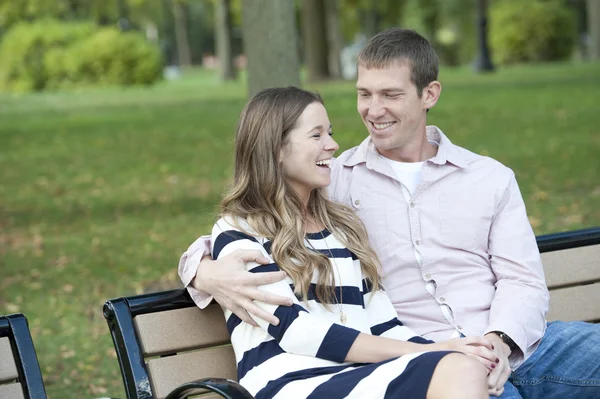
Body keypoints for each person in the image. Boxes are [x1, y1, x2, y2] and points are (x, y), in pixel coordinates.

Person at [179, 29, 600, 399]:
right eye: (364, 94)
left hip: (507, 346)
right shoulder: (334, 178)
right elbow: (249, 224)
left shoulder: (488, 178)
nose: (373, 110)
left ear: (429, 94)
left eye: (391, 95)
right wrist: (205, 270)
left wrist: (498, 343)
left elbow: (522, 280)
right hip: (420, 363)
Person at [207, 86, 495, 398]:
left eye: (329, 133)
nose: (332, 145)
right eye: (316, 135)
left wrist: (450, 350)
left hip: (357, 377)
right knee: (458, 369)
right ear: (276, 148)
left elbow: (384, 325)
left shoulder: (341, 228)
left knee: (463, 366)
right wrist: (439, 351)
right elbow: (295, 332)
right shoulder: (238, 229)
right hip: (287, 383)